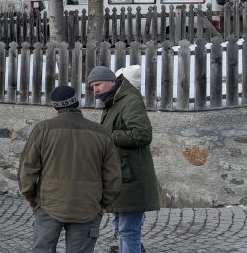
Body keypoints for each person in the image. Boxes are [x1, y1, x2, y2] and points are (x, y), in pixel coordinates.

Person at [19, 85, 121, 253]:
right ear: (77, 102)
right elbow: (113, 174)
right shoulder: (101, 132)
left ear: (55, 106)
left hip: (49, 202)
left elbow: (27, 167)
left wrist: (30, 196)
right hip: (88, 205)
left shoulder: (42, 129)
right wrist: (104, 203)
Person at [89, 65, 160, 253]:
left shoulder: (129, 100)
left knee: (128, 230)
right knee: (120, 224)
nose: (95, 89)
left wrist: (108, 135)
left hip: (131, 176)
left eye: (98, 84)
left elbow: (142, 134)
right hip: (121, 174)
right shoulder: (114, 100)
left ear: (113, 82)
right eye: (92, 86)